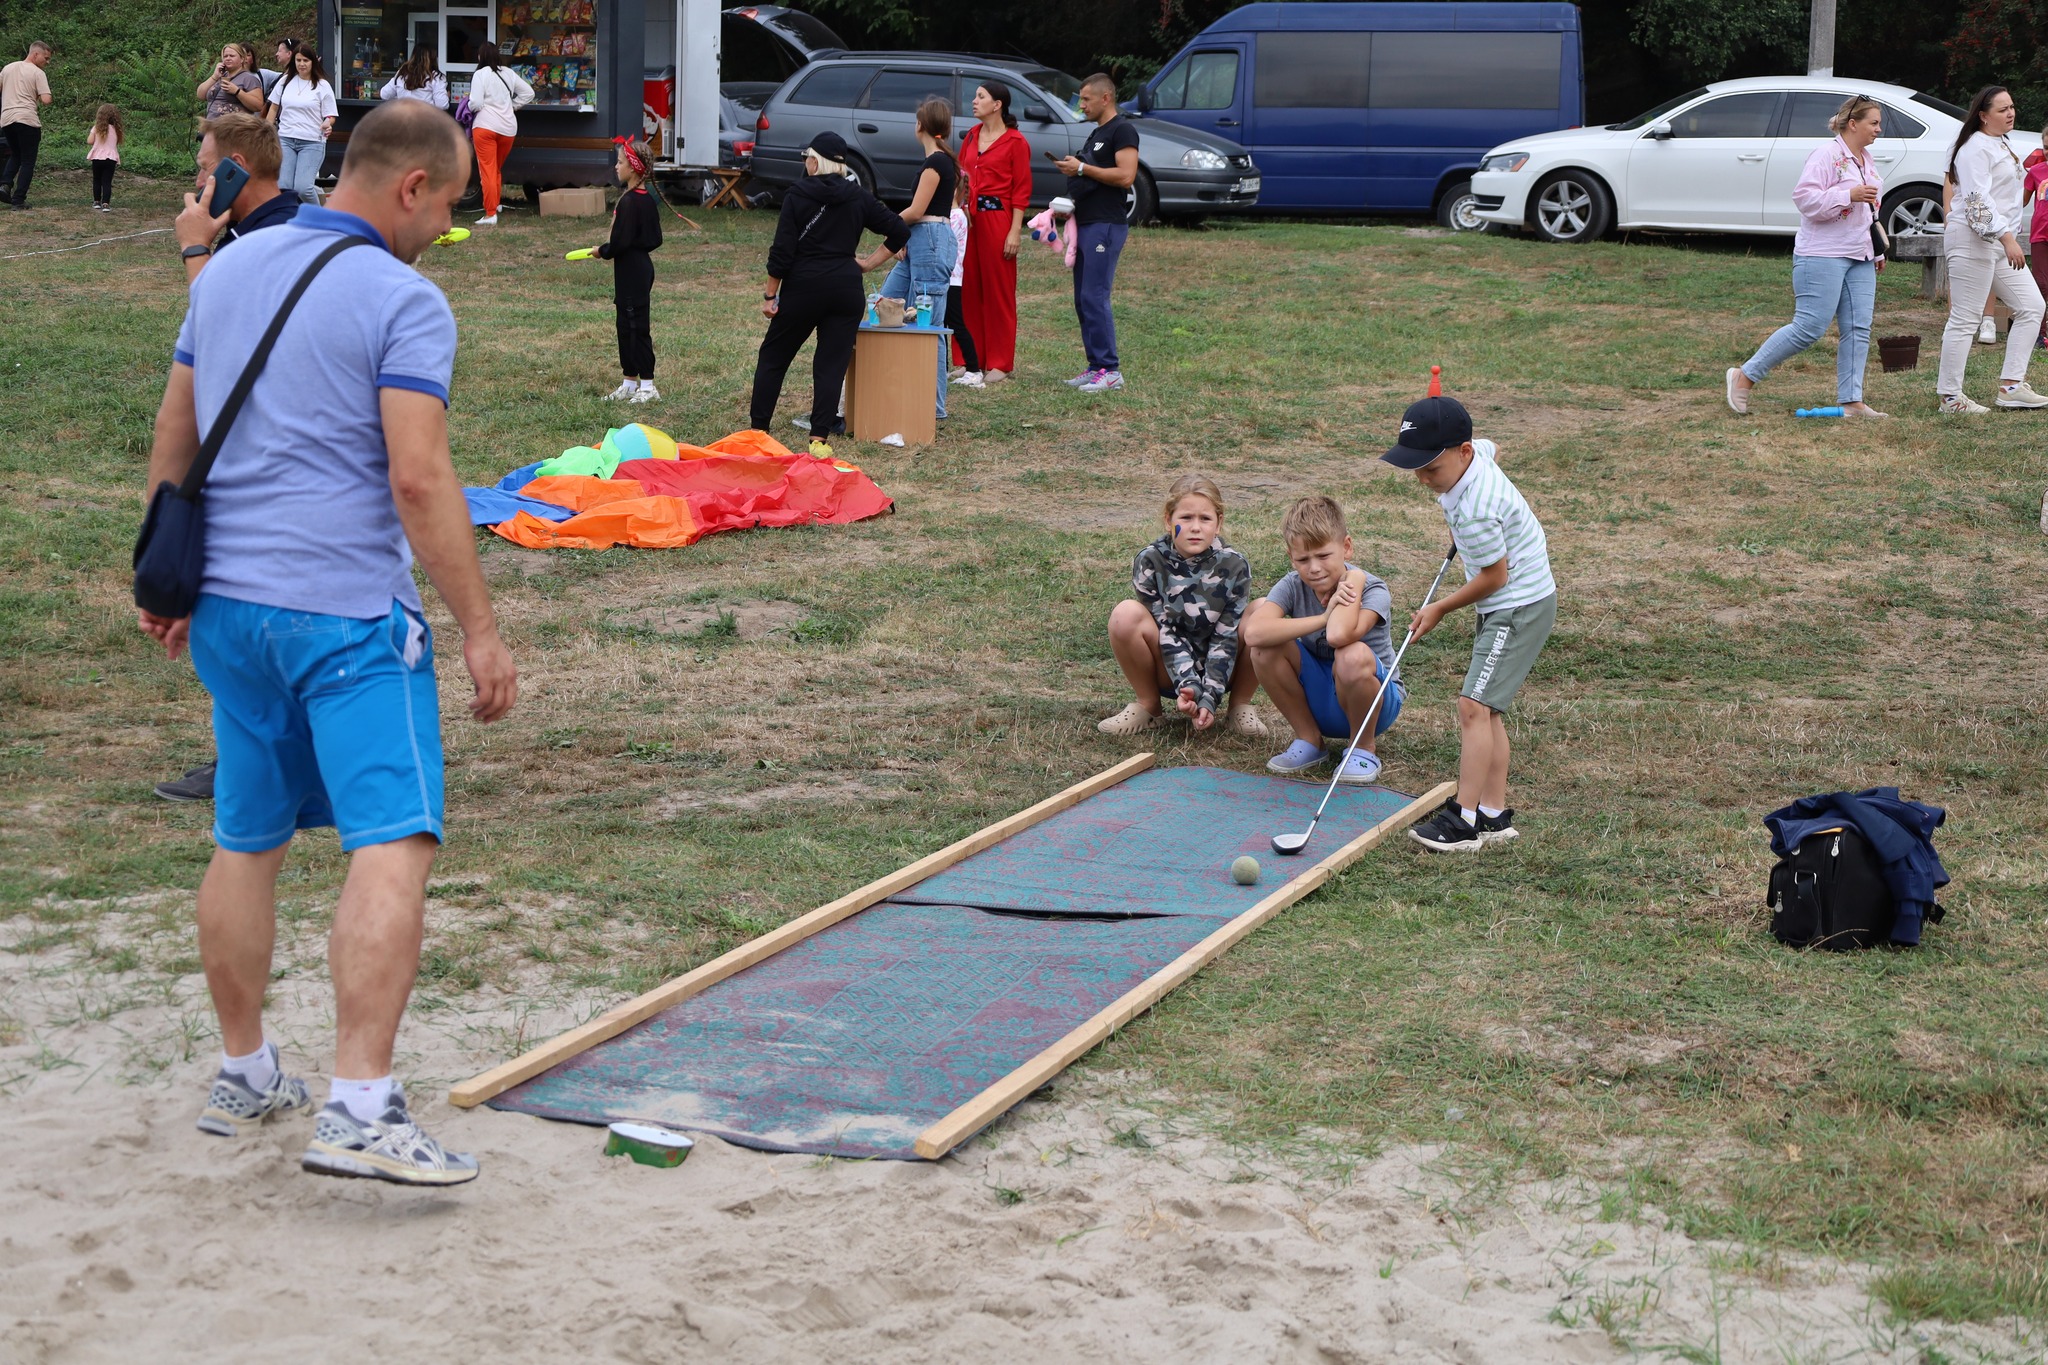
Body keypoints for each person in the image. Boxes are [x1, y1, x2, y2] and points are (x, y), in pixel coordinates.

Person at [139, 98, 515, 1186]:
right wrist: (479, 629)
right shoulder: (404, 299)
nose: (445, 225)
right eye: (447, 204)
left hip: (227, 611)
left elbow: (176, 432)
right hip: (345, 618)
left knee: (245, 836)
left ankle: (246, 1069)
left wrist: (161, 575)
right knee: (392, 835)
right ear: (410, 186)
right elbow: (418, 475)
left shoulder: (226, 273)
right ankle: (360, 1102)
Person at [157, 114, 305, 805]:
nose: (197, 178)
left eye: (205, 164)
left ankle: (250, 764)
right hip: (259, 450)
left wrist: (194, 251)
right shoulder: (259, 229)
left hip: (268, 460)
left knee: (251, 616)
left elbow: (228, 336)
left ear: (237, 167)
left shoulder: (277, 236)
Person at [1380, 395, 1556, 853]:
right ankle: (1495, 816)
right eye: (1415, 466)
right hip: (1520, 599)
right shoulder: (1475, 456)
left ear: (1462, 452)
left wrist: (1438, 607)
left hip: (1514, 604)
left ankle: (1465, 820)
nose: (1422, 478)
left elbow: (1494, 577)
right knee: (1487, 709)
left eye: (1430, 468)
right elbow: (1493, 447)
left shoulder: (1477, 508)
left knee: (1472, 708)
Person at [1726, 95, 1889, 420]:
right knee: (1809, 327)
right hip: (1822, 254)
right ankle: (1744, 376)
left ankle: (1852, 400)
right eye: (1874, 123)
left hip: (1860, 254)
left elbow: (1868, 208)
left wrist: (1876, 247)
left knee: (1858, 328)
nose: (1878, 130)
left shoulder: (1866, 159)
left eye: (1879, 124)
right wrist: (1848, 194)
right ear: (1853, 123)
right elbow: (1805, 199)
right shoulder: (1826, 155)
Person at [751, 130, 909, 461]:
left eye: (807, 157)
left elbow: (782, 251)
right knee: (830, 364)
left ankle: (758, 431)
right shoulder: (858, 196)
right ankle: (819, 438)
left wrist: (770, 295)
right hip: (844, 289)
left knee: (774, 357)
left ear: (814, 161)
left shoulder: (797, 195)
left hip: (803, 288)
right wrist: (866, 264)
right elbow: (898, 230)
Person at [1243, 497, 1401, 784]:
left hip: (1375, 704)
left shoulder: (1373, 588)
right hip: (1320, 697)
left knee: (1350, 654)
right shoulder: (1293, 584)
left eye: (1324, 556)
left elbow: (1339, 636)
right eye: (1303, 560)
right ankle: (1310, 740)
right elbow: (1252, 633)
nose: (1313, 568)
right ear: (1291, 557)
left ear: (1347, 547)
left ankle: (1362, 747)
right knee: (1264, 648)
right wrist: (1322, 617)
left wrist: (1355, 579)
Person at [1099, 474, 1263, 737]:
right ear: (1168, 520)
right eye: (1186, 518)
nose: (1195, 527)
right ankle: (1149, 707)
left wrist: (1209, 696)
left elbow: (1227, 635)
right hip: (1167, 667)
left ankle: (1239, 707)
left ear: (1218, 523)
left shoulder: (1235, 565)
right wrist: (1189, 686)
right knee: (1125, 614)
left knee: (1263, 610)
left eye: (1205, 519)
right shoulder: (1149, 560)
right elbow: (1165, 630)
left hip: (1224, 668)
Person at [1937, 86, 2048, 413]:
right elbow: (1975, 202)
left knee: (2031, 306)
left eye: (2012, 107)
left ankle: (2011, 387)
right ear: (1983, 116)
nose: (2010, 113)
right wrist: (2006, 237)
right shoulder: (1974, 148)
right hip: (1973, 239)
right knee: (1965, 318)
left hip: (1997, 241)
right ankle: (1950, 398)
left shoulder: (2002, 144)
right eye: (2002, 109)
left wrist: (2006, 236)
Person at [862, 97, 959, 421]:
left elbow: (917, 211)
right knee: (885, 304)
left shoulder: (937, 163)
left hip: (930, 241)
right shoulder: (938, 161)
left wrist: (886, 224)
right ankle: (883, 387)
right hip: (920, 240)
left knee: (929, 327)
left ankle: (934, 408)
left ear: (921, 125)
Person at [1053, 73, 1140, 395]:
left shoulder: (1123, 130)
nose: (1082, 104)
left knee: (1095, 296)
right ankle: (1095, 367)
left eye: (1087, 99)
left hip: (1106, 225)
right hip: (1086, 223)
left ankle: (1111, 371)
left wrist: (1081, 168)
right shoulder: (1096, 134)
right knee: (1082, 299)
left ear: (1106, 98)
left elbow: (1126, 175)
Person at [957, 80, 1029, 382]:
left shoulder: (1015, 142)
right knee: (967, 288)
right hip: (967, 220)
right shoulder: (972, 136)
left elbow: (1021, 190)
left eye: (980, 97)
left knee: (998, 292)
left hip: (997, 219)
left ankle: (999, 362)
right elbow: (960, 176)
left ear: (997, 104)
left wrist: (1014, 232)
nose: (974, 101)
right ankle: (968, 360)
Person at [174, 113, 300, 285]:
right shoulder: (291, 220)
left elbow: (212, 310)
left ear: (236, 167)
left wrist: (195, 246)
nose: (199, 182)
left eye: (204, 167)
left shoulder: (262, 243)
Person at [591, 137, 663, 403]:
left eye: (620, 162)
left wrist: (602, 250)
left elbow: (619, 243)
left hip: (633, 272)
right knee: (625, 325)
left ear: (633, 168)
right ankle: (629, 382)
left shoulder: (631, 202)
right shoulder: (644, 199)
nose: (616, 166)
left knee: (636, 327)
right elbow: (655, 238)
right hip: (636, 271)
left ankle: (648, 386)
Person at [467, 42, 534, 226]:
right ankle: (494, 205)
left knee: (487, 170)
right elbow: (529, 93)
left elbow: (475, 103)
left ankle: (490, 214)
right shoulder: (509, 73)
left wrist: (472, 104)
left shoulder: (480, 74)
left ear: (481, 57)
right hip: (508, 128)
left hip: (485, 127)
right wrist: (512, 106)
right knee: (495, 169)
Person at [266, 43, 337, 205]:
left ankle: (319, 218)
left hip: (312, 142)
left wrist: (327, 123)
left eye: (305, 60)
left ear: (313, 62)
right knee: (283, 186)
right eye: (298, 60)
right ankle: (291, 220)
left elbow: (330, 115)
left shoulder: (322, 85)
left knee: (303, 188)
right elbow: (273, 108)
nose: (301, 64)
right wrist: (267, 131)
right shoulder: (285, 81)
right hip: (286, 139)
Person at [0, 41, 53, 210]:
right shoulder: (37, 72)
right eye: (46, 58)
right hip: (27, 119)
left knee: (16, 154)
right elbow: (46, 100)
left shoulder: (8, 68)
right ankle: (18, 200)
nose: (47, 62)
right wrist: (35, 94)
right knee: (28, 161)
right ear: (35, 54)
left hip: (7, 119)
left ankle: (4, 185)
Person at [945, 172, 984, 388]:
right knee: (940, 325)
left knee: (956, 323)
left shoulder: (957, 216)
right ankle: (939, 367)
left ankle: (973, 369)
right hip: (943, 280)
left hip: (952, 279)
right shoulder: (948, 214)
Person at [198, 43, 264, 122]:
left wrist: (237, 92)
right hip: (211, 125)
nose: (228, 58)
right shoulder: (220, 76)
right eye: (225, 56)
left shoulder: (249, 79)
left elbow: (258, 106)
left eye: (232, 56)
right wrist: (215, 76)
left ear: (242, 59)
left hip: (233, 128)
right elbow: (200, 95)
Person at [380, 46, 449, 109]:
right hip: (425, 118)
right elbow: (442, 105)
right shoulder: (436, 76)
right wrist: (446, 96)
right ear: (433, 59)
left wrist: (400, 98)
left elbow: (385, 94)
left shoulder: (402, 72)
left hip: (403, 117)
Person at [86, 103, 122, 213]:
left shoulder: (96, 128)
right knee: (107, 181)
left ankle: (97, 201)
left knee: (97, 179)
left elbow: (89, 141)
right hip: (111, 158)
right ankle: (106, 203)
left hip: (97, 157)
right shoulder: (116, 129)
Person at [258, 38, 300, 107]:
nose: (276, 54)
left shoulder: (296, 78)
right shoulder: (281, 77)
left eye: (279, 51)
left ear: (289, 53)